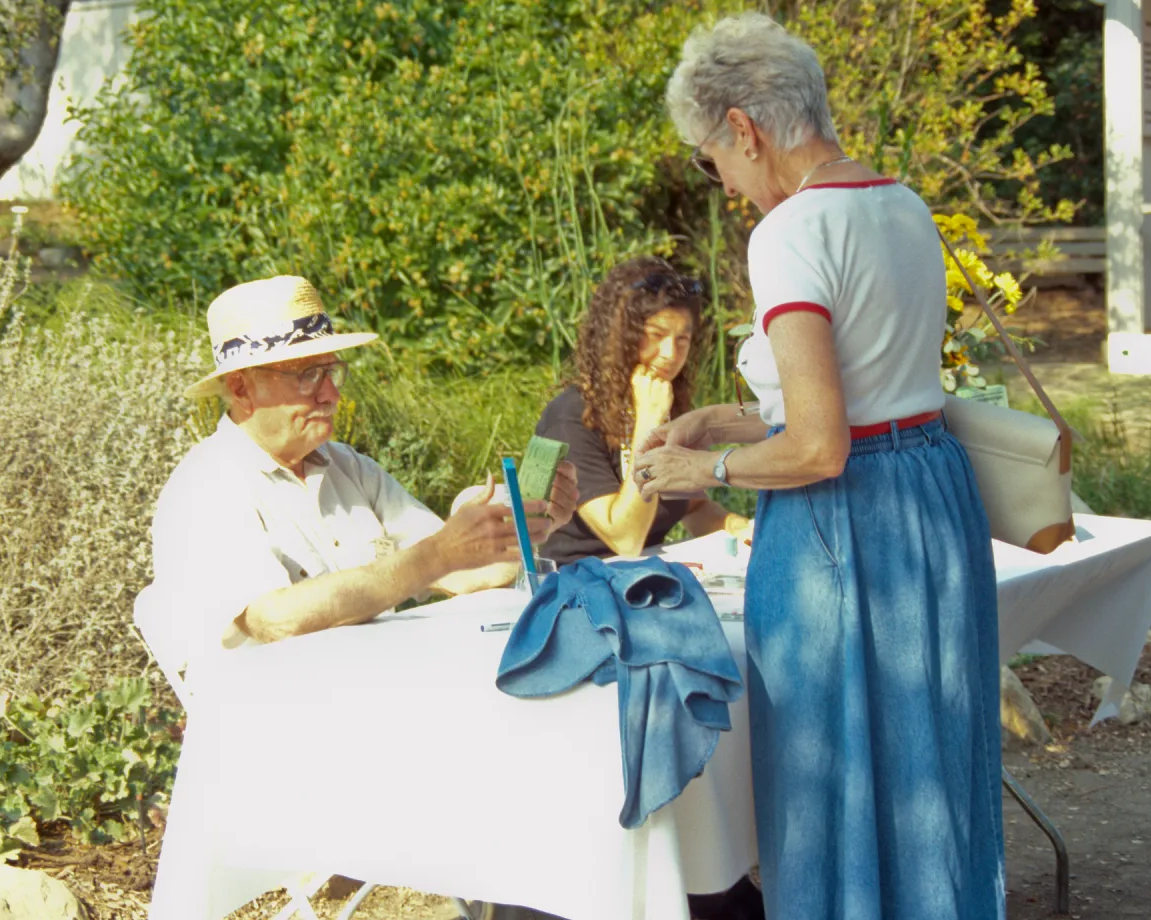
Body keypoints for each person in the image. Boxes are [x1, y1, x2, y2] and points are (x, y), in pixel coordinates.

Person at [634, 13, 1003, 920]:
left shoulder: (790, 231)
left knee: (829, 774)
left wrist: (706, 469)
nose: (720, 185)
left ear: (745, 129)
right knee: (929, 762)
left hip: (845, 519)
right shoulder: (903, 202)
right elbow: (876, 382)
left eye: (710, 160)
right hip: (930, 498)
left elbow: (819, 447)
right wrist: (729, 418)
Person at [138, 275, 580, 675]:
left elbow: (461, 572)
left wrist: (532, 523)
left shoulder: (346, 465)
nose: (330, 394)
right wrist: (437, 555)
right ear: (240, 388)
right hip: (278, 728)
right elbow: (276, 619)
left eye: (331, 371)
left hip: (372, 692)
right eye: (308, 375)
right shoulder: (206, 487)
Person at [535, 256, 748, 566]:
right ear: (620, 336)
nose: (670, 354)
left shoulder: (661, 403)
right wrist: (648, 425)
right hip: (581, 586)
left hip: (650, 578)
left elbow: (692, 507)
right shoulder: (570, 418)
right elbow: (626, 540)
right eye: (657, 335)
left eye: (682, 339)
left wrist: (736, 527)